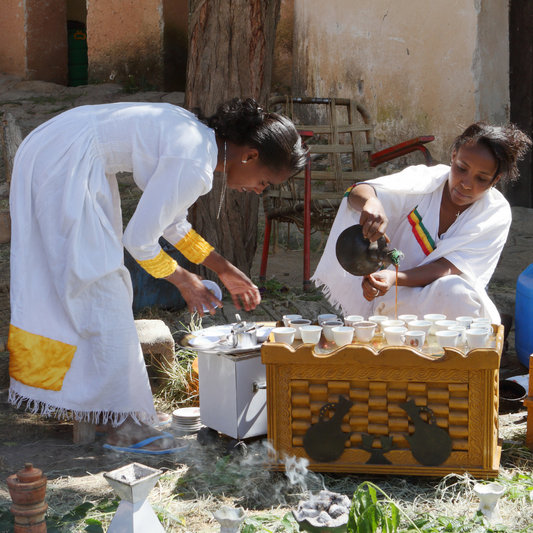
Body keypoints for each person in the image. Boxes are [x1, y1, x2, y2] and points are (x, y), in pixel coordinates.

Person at [8, 97, 307, 452]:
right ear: (251, 156)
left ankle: (109, 409)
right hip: (62, 157)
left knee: (94, 282)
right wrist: (184, 280)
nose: (259, 191)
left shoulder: (198, 144)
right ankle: (122, 422)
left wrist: (224, 270)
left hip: (64, 150)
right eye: (265, 182)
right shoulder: (194, 162)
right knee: (99, 285)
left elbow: (171, 224)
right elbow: (139, 241)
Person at [312, 122, 531, 323]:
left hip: (445, 301)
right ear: (453, 156)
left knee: (457, 293)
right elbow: (358, 192)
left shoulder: (495, 213)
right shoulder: (423, 182)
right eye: (461, 168)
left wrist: (393, 276)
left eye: (481, 179)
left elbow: (447, 268)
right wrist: (372, 201)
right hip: (396, 297)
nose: (466, 184)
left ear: (495, 180)